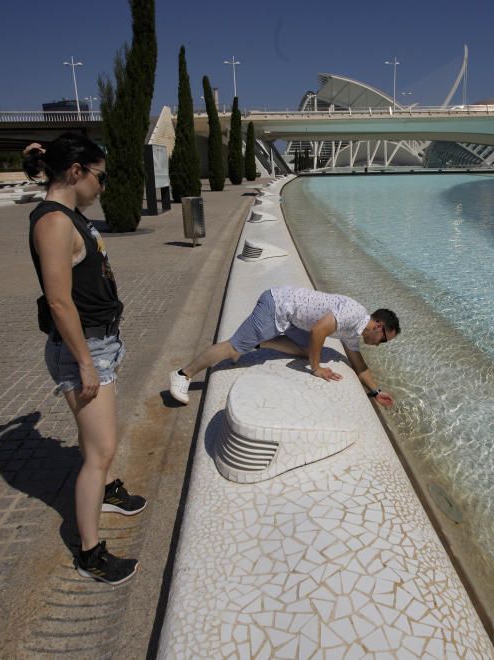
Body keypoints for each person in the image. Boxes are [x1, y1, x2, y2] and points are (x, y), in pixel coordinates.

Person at [24, 133, 146, 585]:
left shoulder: (67, 214)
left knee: (96, 440)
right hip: (83, 350)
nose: (103, 186)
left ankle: (107, 491)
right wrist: (86, 364)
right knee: (100, 450)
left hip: (98, 343)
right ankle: (90, 553)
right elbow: (59, 302)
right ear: (76, 172)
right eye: (100, 176)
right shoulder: (53, 223)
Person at [169, 286, 399, 407]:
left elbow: (359, 364)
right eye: (385, 340)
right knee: (233, 348)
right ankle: (183, 374)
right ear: (378, 326)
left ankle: (260, 341)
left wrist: (376, 392)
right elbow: (319, 330)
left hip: (291, 318)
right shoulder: (354, 314)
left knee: (307, 350)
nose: (381, 345)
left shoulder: (354, 330)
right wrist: (316, 368)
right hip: (277, 305)